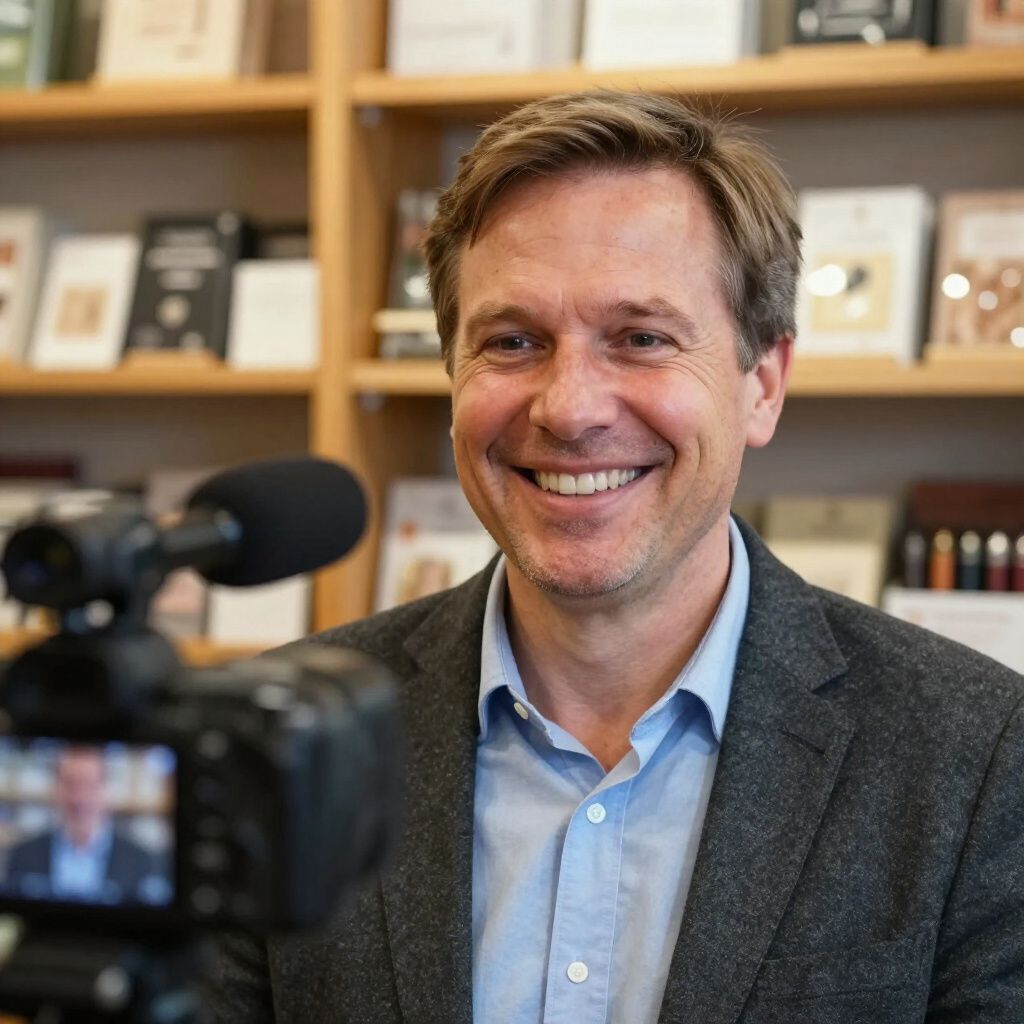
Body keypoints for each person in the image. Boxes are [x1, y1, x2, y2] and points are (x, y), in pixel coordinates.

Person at [214, 92, 1024, 1023]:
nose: (570, 408)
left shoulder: (982, 758)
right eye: (512, 342)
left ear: (762, 384)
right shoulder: (279, 743)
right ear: (451, 379)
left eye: (641, 339)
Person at [3, 746, 169, 906]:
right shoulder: (22, 854)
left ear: (105, 790)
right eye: (70, 784)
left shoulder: (142, 861)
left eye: (89, 784)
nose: (80, 798)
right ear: (56, 789)